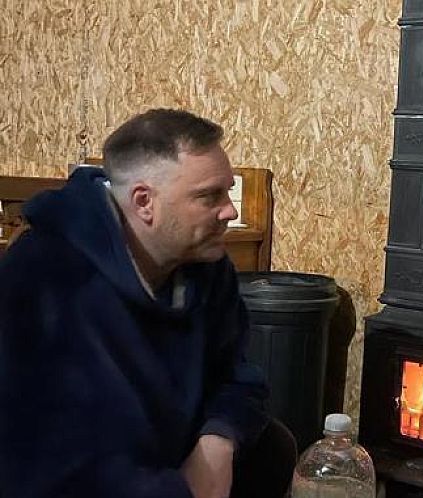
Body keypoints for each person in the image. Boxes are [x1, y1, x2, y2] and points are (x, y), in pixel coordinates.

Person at [0, 109, 296, 498]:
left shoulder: (207, 266)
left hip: (171, 462)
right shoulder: (43, 278)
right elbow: (48, 460)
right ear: (144, 202)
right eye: (210, 196)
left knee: (274, 446)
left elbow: (237, 376)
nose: (231, 211)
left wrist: (218, 442)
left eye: (229, 191)